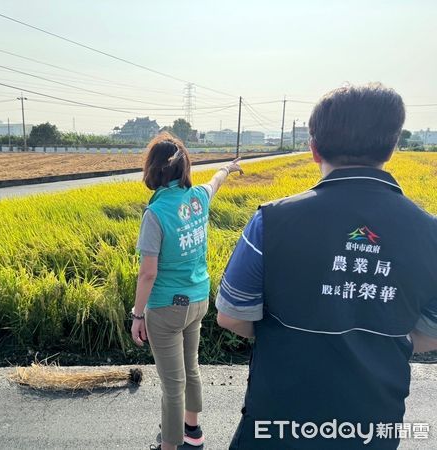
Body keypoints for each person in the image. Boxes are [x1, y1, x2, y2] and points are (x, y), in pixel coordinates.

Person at [215, 83, 437, 449]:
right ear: (393, 147)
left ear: (314, 148)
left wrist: (293, 338)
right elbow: (429, 333)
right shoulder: (429, 234)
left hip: (279, 421)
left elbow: (232, 315)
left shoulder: (271, 222)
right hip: (371, 425)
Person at [131, 132, 244, 450]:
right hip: (198, 299)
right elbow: (215, 182)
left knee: (172, 386)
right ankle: (192, 431)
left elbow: (148, 273)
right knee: (190, 368)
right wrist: (228, 168)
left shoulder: (155, 214)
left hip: (166, 308)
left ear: (152, 170)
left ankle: (169, 446)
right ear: (184, 168)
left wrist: (137, 315)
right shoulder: (198, 197)